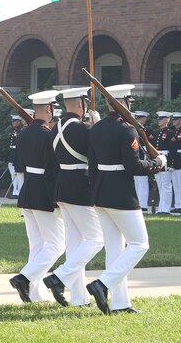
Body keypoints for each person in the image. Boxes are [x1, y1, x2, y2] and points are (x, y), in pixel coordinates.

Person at [85, 84, 165, 314]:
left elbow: (92, 166)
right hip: (121, 194)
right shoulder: (127, 130)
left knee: (114, 249)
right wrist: (157, 164)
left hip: (100, 193)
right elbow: (133, 166)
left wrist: (95, 192)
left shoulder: (96, 129)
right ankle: (103, 284)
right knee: (140, 244)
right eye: (128, 101)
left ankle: (121, 303)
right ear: (124, 103)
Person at [42, 86, 104, 306]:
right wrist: (98, 127)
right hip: (79, 186)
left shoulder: (55, 126)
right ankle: (60, 276)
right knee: (97, 238)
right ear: (81, 104)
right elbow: (97, 151)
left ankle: (79, 297)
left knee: (76, 244)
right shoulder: (81, 128)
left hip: (63, 187)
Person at [8, 90, 62, 303]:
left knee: (38, 245)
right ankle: (24, 278)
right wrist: (56, 198)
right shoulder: (48, 134)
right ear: (49, 109)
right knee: (57, 244)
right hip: (42, 192)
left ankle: (35, 293)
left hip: (28, 189)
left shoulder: (23, 133)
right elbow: (52, 169)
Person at [152, 111, 174, 214]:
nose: (159, 121)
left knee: (166, 185)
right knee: (160, 185)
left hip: (166, 160)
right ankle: (161, 208)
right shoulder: (157, 132)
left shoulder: (170, 133)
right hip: (158, 159)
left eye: (161, 119)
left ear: (167, 120)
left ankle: (166, 209)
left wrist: (171, 164)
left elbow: (172, 150)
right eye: (158, 119)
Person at [131, 111, 151, 211]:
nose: (138, 120)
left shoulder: (147, 130)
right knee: (137, 181)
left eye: (140, 118)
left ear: (145, 119)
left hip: (143, 155)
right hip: (137, 153)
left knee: (142, 181)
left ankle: (143, 204)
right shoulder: (134, 128)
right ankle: (138, 202)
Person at [7, 114, 25, 197]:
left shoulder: (21, 130)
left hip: (17, 155)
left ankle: (18, 191)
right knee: (13, 174)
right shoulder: (13, 130)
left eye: (14, 121)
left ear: (18, 122)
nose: (13, 123)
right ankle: (15, 190)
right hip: (12, 154)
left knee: (18, 174)